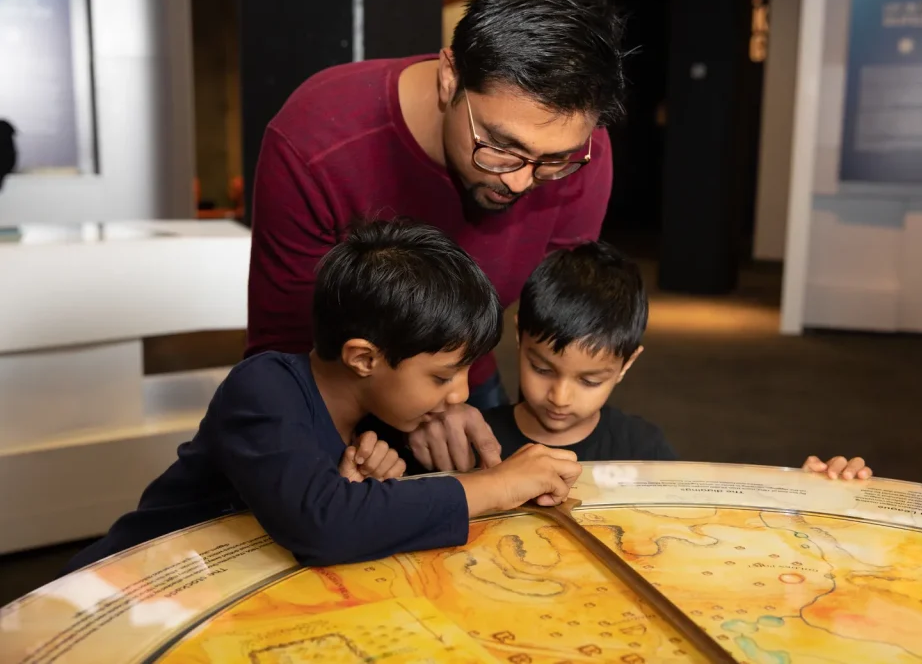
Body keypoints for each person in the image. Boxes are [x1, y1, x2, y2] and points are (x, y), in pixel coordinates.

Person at [246, 0, 626, 473]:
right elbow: (285, 351)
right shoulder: (318, 141)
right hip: (334, 393)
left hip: (467, 374)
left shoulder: (580, 156)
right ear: (450, 77)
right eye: (500, 145)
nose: (519, 181)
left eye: (552, 160)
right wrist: (418, 405)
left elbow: (554, 315)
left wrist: (449, 394)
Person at [61, 221, 582, 575]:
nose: (462, 393)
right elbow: (324, 523)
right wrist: (494, 484)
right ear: (363, 358)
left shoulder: (381, 423)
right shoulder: (262, 389)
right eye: (443, 376)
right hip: (125, 589)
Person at [482, 242, 874, 480]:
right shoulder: (476, 443)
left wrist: (811, 493)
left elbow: (697, 527)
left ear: (626, 365)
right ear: (519, 337)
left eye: (589, 381)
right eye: (542, 368)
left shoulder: (643, 448)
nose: (560, 397)